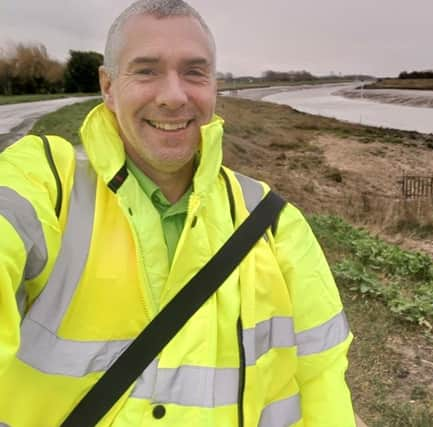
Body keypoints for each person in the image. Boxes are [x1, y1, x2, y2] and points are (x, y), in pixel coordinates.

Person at [0, 0, 355, 425]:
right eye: (147, 70)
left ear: (214, 86)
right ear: (108, 86)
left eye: (194, 72)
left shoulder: (275, 223)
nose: (173, 96)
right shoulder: (47, 184)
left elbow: (322, 380)